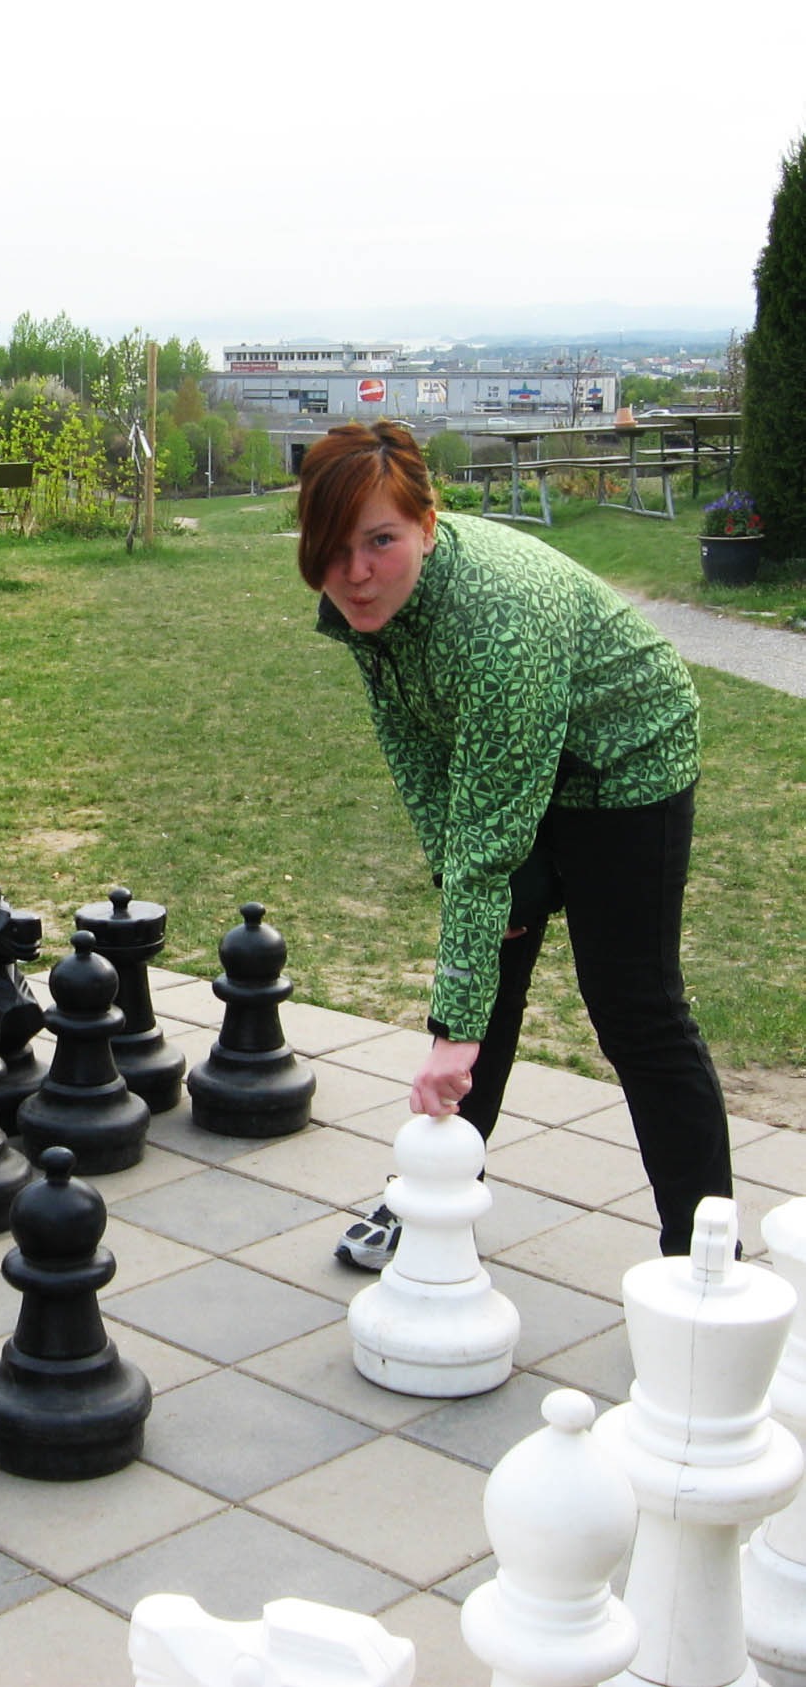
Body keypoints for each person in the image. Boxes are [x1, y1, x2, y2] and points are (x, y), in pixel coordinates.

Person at [296, 419, 734, 1266]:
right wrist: (468, 913)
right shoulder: (363, 602)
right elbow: (415, 749)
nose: (354, 573)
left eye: (380, 541)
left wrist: (453, 1028)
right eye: (332, 548)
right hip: (517, 748)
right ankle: (433, 1200)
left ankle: (701, 1254)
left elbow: (487, 845)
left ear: (427, 524)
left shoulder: (496, 621)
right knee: (485, 960)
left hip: (626, 757)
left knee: (633, 1009)